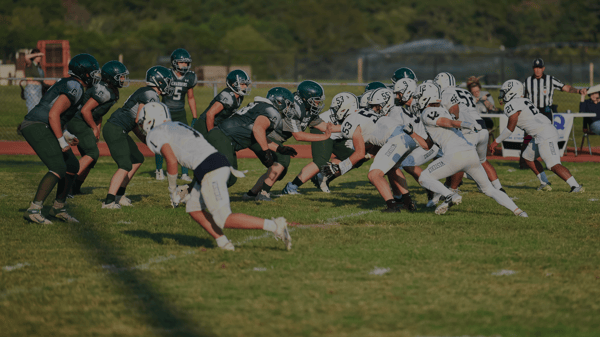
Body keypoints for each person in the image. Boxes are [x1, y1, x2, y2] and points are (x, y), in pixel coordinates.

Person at [139, 102, 291, 251]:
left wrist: (172, 189)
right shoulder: (177, 125)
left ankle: (275, 226)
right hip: (213, 161)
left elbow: (171, 160)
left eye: (142, 121)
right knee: (194, 209)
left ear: (150, 119)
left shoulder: (156, 132)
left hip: (209, 168)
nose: (142, 125)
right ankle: (223, 242)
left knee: (223, 217)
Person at [415, 82, 528, 217]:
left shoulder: (428, 112)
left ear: (426, 97)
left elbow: (448, 122)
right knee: (488, 189)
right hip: (470, 153)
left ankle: (449, 195)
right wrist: (411, 133)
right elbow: (428, 144)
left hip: (454, 155)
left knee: (424, 177)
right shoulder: (443, 109)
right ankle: (519, 211)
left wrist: (465, 124)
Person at [21, 53, 101, 224]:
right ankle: (34, 209)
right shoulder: (74, 86)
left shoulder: (73, 85)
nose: (95, 75)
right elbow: (53, 114)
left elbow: (60, 116)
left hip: (44, 124)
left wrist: (66, 135)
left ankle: (58, 208)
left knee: (72, 165)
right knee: (57, 166)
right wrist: (61, 141)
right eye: (92, 72)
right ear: (83, 72)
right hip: (37, 124)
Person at [243, 80, 333, 201]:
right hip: (264, 136)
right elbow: (298, 136)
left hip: (271, 138)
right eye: (316, 100)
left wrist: (351, 127)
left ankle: (251, 194)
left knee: (279, 171)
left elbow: (323, 126)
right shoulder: (294, 108)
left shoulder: (306, 109)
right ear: (306, 98)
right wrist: (324, 137)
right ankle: (263, 194)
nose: (318, 103)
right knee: (282, 159)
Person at [491, 80, 584, 193]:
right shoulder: (523, 100)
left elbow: (510, 128)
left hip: (544, 133)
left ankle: (575, 186)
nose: (502, 95)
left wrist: (496, 141)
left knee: (552, 164)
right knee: (528, 157)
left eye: (505, 92)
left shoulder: (512, 104)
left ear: (511, 92)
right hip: (540, 133)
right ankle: (545, 183)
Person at [102, 65, 173, 209]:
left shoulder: (149, 93)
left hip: (119, 128)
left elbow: (136, 124)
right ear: (159, 80)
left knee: (137, 158)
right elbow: (139, 120)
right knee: (125, 165)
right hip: (115, 128)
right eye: (167, 80)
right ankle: (109, 201)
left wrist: (147, 141)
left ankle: (119, 195)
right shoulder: (150, 94)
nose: (169, 83)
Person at [203, 87, 296, 188]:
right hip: (222, 137)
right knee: (227, 176)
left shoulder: (262, 106)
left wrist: (279, 148)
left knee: (225, 177)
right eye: (288, 105)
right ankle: (203, 198)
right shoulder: (271, 112)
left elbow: (258, 134)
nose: (288, 108)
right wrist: (266, 152)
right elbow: (258, 130)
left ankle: (188, 191)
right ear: (279, 102)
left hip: (222, 137)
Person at [434, 72, 505, 198]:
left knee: (459, 159)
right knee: (482, 160)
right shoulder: (464, 92)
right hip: (481, 126)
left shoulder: (445, 93)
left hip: (467, 128)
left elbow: (454, 111)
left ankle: (452, 190)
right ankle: (499, 187)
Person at [66, 60, 129, 196]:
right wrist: (94, 127)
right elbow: (86, 111)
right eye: (121, 76)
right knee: (92, 153)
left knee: (91, 157)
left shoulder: (111, 90)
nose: (123, 79)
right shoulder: (103, 91)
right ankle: (66, 186)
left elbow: (98, 113)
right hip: (77, 121)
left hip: (84, 122)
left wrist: (97, 129)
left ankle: (75, 188)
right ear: (112, 77)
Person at [281, 92, 361, 195]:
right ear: (343, 109)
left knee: (357, 158)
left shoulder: (357, 113)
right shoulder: (323, 118)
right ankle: (291, 186)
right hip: (323, 132)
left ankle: (322, 177)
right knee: (320, 162)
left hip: (337, 136)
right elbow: (324, 127)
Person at [521, 58, 587, 169]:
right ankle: (524, 163)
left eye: (540, 68)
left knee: (547, 138)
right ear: (533, 69)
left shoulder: (550, 80)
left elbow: (566, 88)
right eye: (535, 68)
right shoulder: (527, 81)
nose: (537, 70)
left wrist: (578, 91)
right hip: (532, 112)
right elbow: (521, 96)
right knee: (528, 136)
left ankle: (552, 163)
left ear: (543, 68)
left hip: (545, 111)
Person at [155, 48, 198, 182]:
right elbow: (157, 93)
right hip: (165, 112)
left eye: (186, 63)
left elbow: (190, 98)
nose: (184, 66)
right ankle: (159, 170)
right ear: (174, 63)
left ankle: (184, 173)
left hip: (180, 112)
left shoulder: (190, 77)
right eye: (181, 63)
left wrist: (195, 116)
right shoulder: (166, 74)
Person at [195, 69, 251, 138]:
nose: (245, 87)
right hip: (205, 125)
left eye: (246, 84)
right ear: (233, 84)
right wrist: (212, 134)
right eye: (242, 84)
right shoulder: (227, 96)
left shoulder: (239, 96)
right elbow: (210, 114)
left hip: (216, 125)